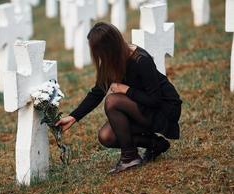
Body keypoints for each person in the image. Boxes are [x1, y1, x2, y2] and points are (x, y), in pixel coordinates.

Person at [56, 22, 182, 174]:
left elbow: (155, 99)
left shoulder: (141, 60)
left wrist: (126, 89)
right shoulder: (111, 61)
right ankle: (155, 144)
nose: (97, 56)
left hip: (164, 109)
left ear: (108, 48)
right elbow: (97, 92)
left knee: (113, 100)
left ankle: (130, 157)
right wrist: (73, 117)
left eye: (97, 51)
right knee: (106, 136)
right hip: (141, 108)